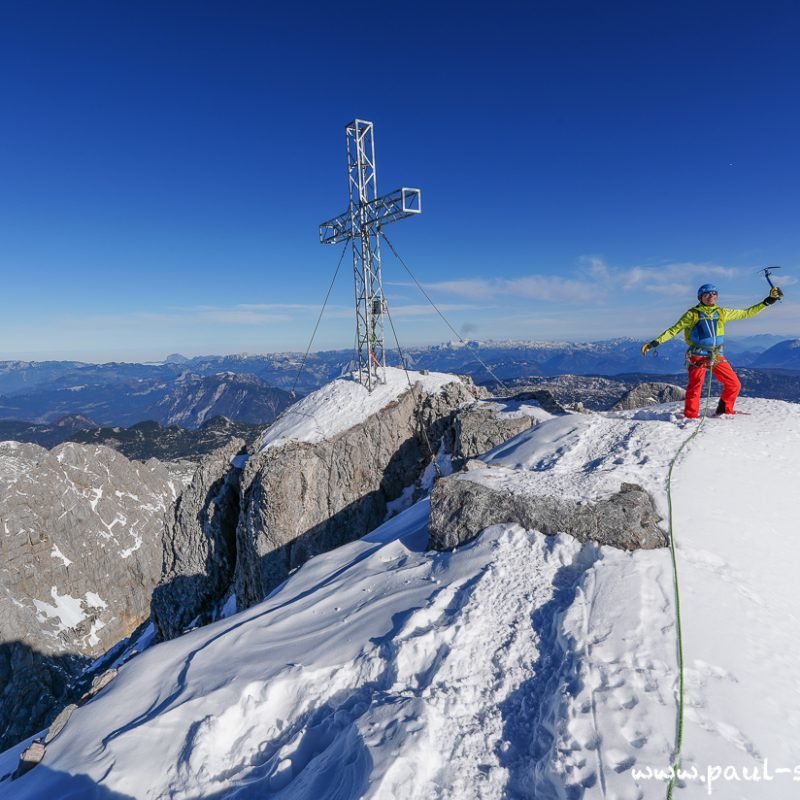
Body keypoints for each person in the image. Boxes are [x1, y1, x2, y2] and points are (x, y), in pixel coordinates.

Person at [641, 283, 783, 418]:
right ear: (700, 297)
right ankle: (691, 416)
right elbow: (673, 330)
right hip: (698, 356)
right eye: (707, 294)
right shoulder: (692, 314)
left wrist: (768, 301)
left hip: (716, 355)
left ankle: (724, 410)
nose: (711, 296)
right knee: (695, 387)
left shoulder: (722, 312)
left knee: (734, 384)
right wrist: (654, 343)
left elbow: (746, 313)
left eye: (714, 294)